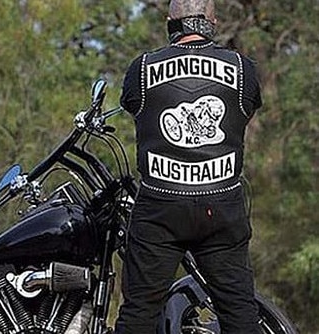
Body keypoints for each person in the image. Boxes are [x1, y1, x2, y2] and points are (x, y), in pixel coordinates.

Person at [114, 0, 263, 333]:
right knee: (240, 313)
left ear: (171, 22)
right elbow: (247, 111)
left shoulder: (142, 68)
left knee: (139, 313)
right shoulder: (242, 68)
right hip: (221, 206)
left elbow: (132, 106)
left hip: (160, 208)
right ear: (212, 21)